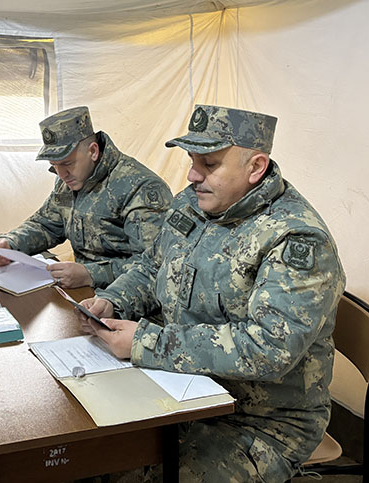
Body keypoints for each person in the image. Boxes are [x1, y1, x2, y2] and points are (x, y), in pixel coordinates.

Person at [80, 105, 346, 483]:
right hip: (186, 388)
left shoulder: (294, 238)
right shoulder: (193, 203)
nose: (192, 175)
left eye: (209, 164)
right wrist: (114, 299)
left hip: (257, 421)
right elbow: (154, 266)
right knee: (90, 456)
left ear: (256, 167)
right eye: (192, 161)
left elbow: (269, 348)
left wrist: (147, 342)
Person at [0, 106, 172, 289]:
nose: (61, 174)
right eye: (54, 165)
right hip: (83, 291)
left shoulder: (141, 188)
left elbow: (155, 265)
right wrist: (11, 243)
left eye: (67, 163)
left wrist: (92, 274)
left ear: (93, 151)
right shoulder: (70, 180)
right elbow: (47, 224)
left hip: (128, 298)